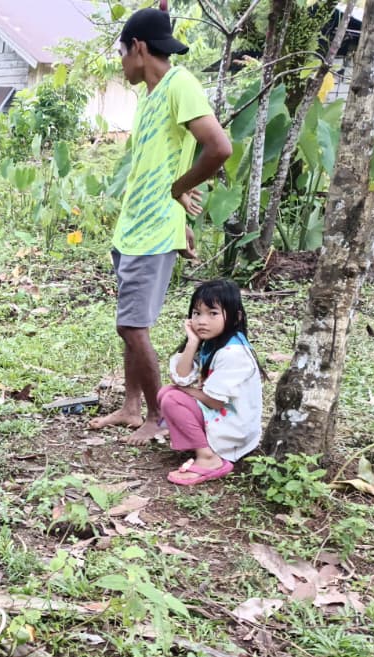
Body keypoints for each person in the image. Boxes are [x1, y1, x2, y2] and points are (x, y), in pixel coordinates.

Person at [89, 4, 233, 444]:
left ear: (138, 47)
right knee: (129, 323)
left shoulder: (179, 84)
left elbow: (218, 147)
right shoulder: (152, 97)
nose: (120, 62)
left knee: (132, 327)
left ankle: (158, 416)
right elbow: (161, 164)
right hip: (135, 229)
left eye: (121, 52)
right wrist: (178, 212)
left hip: (149, 234)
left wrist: (178, 191)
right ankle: (132, 407)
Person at [158, 279, 263, 485]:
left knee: (172, 398)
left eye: (212, 313)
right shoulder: (212, 343)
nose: (202, 321)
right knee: (167, 392)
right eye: (197, 313)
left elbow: (215, 401)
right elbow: (180, 375)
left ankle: (209, 458)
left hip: (234, 428)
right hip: (222, 417)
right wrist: (192, 342)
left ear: (235, 317)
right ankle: (202, 446)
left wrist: (185, 390)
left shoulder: (234, 353)